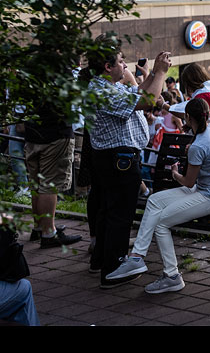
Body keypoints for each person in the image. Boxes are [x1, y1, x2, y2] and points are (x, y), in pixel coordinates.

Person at [104, 98, 210, 293]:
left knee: (162, 223)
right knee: (155, 200)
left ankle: (172, 275)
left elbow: (188, 182)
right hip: (209, 188)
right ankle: (137, 258)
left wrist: (174, 173)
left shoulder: (198, 146)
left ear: (188, 118)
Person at [86, 35, 171, 289]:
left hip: (111, 158)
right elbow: (147, 101)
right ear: (107, 67)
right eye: (121, 62)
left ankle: (101, 260)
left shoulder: (107, 86)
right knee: (120, 215)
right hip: (118, 159)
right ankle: (113, 269)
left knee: (107, 212)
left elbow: (138, 92)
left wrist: (149, 75)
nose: (125, 67)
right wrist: (160, 73)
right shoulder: (101, 90)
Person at [23, 99, 81, 248]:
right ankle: (49, 234)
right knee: (49, 186)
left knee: (36, 184)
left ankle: (39, 227)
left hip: (33, 131)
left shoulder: (27, 74)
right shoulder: (59, 75)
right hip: (55, 133)